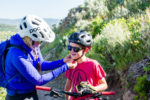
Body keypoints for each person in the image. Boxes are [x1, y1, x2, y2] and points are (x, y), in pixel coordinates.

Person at [5, 15, 77, 100]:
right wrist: (65, 67)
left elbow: (41, 64)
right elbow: (39, 80)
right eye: (38, 41)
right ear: (28, 37)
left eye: (41, 41)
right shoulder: (16, 54)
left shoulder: (32, 43)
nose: (39, 44)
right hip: (17, 96)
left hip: (30, 91)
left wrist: (63, 61)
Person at [64, 30, 108, 100]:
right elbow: (68, 86)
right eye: (70, 47)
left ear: (86, 50)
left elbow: (104, 85)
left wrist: (93, 89)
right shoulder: (71, 65)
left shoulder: (93, 64)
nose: (72, 51)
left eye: (76, 49)